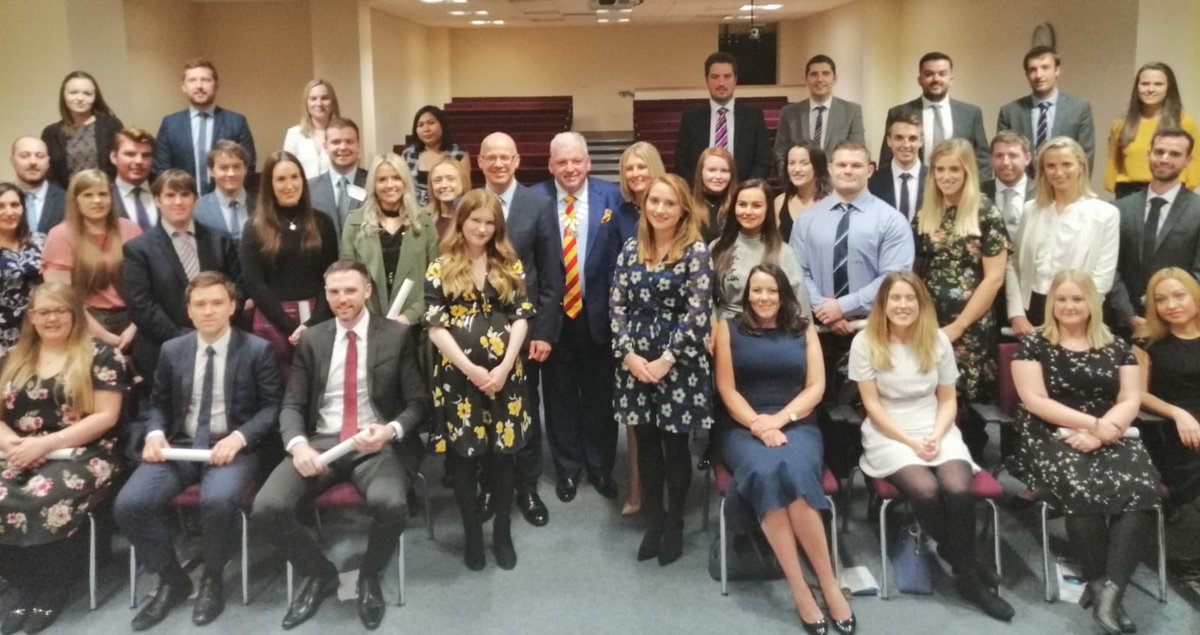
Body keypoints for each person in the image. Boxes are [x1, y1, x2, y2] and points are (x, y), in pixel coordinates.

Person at [252, 260, 428, 630]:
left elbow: (418, 403)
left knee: (392, 504)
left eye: (350, 290)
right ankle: (319, 573)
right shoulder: (314, 339)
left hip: (373, 444)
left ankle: (368, 575)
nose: (342, 299)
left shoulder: (395, 336)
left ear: (367, 291)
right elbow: (292, 405)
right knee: (267, 507)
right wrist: (298, 446)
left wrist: (390, 430)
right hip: (322, 442)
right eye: (333, 292)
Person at [114, 272, 281, 630]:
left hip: (233, 448)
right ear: (188, 311)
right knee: (131, 504)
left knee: (218, 502)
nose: (209, 311)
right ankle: (173, 580)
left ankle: (213, 578)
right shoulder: (173, 350)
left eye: (217, 302)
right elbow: (157, 403)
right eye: (200, 304)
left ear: (232, 307)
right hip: (182, 446)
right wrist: (155, 432)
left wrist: (239, 438)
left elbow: (271, 408)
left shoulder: (256, 349)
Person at [850, 272, 1013, 621]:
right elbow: (872, 406)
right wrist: (909, 441)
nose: (903, 305)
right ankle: (967, 571)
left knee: (957, 486)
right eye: (896, 298)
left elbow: (948, 400)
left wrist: (937, 436)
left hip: (935, 425)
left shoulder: (936, 340)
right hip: (888, 432)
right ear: (884, 304)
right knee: (925, 490)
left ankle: (960, 560)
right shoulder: (865, 342)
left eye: (911, 298)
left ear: (921, 304)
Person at [1010, 270, 1160, 635]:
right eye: (1061, 299)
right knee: (1082, 488)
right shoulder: (1032, 343)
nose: (1069, 306)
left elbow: (1130, 399)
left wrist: (1104, 431)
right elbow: (1034, 400)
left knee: (1142, 487)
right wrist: (1091, 426)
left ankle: (1108, 591)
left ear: (1092, 303)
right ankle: (1101, 584)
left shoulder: (1116, 347)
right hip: (1049, 433)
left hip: (1111, 429)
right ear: (1052, 304)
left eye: (1077, 299)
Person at [714, 263, 854, 634]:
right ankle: (799, 588)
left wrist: (779, 420)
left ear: (784, 295)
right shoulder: (728, 330)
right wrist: (759, 426)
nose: (764, 298)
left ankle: (827, 582)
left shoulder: (804, 329)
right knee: (764, 471)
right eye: (757, 291)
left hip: (798, 423)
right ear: (747, 295)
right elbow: (727, 390)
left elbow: (816, 389)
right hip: (743, 425)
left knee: (792, 471)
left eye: (772, 291)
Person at [0, 282, 126, 634]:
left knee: (41, 497)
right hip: (18, 450)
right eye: (43, 311)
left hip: (84, 451)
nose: (51, 318)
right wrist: (14, 447)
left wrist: (45, 444)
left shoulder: (101, 353)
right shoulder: (13, 357)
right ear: (31, 317)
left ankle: (52, 587)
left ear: (74, 314)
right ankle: (23, 586)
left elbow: (106, 416)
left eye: (60, 310)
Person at [424, 190, 533, 570]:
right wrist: (472, 370)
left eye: (491, 223)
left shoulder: (509, 263)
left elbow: (521, 316)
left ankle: (502, 532)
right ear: (461, 222)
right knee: (466, 460)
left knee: (504, 459)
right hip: (459, 380)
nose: (483, 229)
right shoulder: (440, 266)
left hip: (506, 378)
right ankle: (473, 533)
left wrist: (503, 366)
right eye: (476, 221)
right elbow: (436, 328)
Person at [791, 141, 915, 477]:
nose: (848, 171)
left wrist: (842, 307)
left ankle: (881, 480)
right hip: (819, 332)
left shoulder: (891, 220)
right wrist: (823, 309)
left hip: (872, 331)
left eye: (856, 166)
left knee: (873, 410)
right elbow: (796, 271)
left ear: (870, 169)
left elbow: (894, 279)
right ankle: (834, 476)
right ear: (829, 169)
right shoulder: (807, 221)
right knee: (824, 408)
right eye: (841, 165)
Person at [611, 174, 713, 566]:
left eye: (669, 202)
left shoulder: (696, 251)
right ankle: (654, 520)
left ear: (683, 208)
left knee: (675, 447)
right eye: (654, 200)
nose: (660, 208)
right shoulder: (629, 249)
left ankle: (674, 524)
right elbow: (616, 306)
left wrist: (666, 360)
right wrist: (629, 356)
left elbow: (697, 312)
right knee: (646, 446)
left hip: (679, 362)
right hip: (634, 363)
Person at [530, 132, 624, 503]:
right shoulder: (534, 199)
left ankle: (600, 466)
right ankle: (567, 468)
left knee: (601, 395)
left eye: (576, 161)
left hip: (598, 313)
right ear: (551, 165)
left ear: (588, 162)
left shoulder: (612, 198)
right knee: (558, 396)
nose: (569, 168)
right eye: (561, 162)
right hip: (553, 316)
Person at [477, 132, 564, 527]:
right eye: (490, 157)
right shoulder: (470, 203)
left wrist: (544, 332)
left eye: (504, 157)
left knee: (524, 409)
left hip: (523, 331)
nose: (498, 164)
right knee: (482, 412)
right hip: (476, 332)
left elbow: (551, 276)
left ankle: (527, 487)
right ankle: (491, 487)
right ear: (480, 162)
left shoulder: (538, 204)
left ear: (516, 161)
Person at [913, 138, 1009, 462]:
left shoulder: (986, 211)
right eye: (940, 169)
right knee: (927, 393)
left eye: (954, 169)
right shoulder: (926, 214)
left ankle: (967, 471)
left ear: (968, 171)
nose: (946, 176)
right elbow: (916, 271)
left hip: (970, 323)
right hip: (928, 320)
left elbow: (995, 278)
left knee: (963, 400)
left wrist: (959, 325)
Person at [123, 169, 243, 380]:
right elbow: (141, 305)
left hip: (221, 345)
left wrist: (216, 330)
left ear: (195, 199)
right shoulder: (138, 249)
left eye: (185, 194)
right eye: (170, 195)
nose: (178, 202)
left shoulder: (220, 241)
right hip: (163, 350)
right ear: (157, 200)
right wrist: (186, 339)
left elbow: (239, 289)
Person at [1006, 137, 1119, 335]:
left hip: (1078, 313)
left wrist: (1084, 318)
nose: (1058, 173)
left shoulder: (1105, 213)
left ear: (1081, 166)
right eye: (1051, 166)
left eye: (1066, 164)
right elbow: (1014, 264)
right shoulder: (1031, 210)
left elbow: (1103, 275)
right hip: (1032, 308)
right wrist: (1017, 314)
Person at [239, 151, 338, 374]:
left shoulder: (322, 221)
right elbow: (254, 283)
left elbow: (330, 275)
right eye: (281, 179)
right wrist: (291, 326)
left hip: (318, 317)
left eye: (295, 177)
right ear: (269, 184)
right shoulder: (254, 226)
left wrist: (313, 323)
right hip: (272, 321)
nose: (289, 185)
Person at [612, 140, 667, 515]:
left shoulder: (674, 208)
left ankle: (664, 494)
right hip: (630, 331)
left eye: (642, 167)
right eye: (629, 168)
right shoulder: (616, 213)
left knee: (667, 425)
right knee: (635, 423)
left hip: (668, 336)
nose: (635, 175)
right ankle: (636, 490)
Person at [1109, 129, 1200, 333]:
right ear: (1149, 153)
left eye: (1175, 154)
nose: (1164, 159)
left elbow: (1198, 272)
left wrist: (1171, 310)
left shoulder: (1198, 211)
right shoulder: (1118, 209)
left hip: (1178, 325)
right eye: (1159, 151)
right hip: (1122, 323)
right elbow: (1109, 267)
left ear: (1187, 160)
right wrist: (1128, 314)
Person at [42, 169, 142, 354]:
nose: (97, 201)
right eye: (88, 195)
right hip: (87, 324)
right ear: (75, 200)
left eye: (103, 194)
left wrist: (135, 327)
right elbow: (63, 298)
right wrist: (104, 336)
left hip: (135, 323)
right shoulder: (61, 235)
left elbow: (147, 287)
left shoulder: (130, 229)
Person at [339, 153, 437, 322]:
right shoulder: (354, 222)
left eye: (396, 178)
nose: (390, 185)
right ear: (373, 184)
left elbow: (435, 279)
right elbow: (347, 276)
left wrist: (410, 316)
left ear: (405, 181)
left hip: (413, 325)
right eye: (382, 179)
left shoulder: (424, 222)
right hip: (368, 322)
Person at [1133, 268, 1200, 515]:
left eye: (1179, 295)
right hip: (1169, 428)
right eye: (1160, 299)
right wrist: (1178, 414)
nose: (1171, 305)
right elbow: (1137, 394)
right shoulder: (1146, 341)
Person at [879, 52, 991, 180]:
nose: (936, 79)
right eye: (929, 74)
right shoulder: (899, 113)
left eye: (942, 74)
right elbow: (887, 159)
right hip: (914, 190)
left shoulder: (971, 113)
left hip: (958, 190)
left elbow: (983, 159)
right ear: (920, 80)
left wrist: (979, 191)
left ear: (951, 79)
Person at [154, 58, 256, 196]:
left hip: (227, 202)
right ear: (183, 86)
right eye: (192, 80)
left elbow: (248, 166)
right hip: (184, 204)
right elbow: (162, 170)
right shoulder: (170, 124)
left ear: (216, 85)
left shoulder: (236, 122)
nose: (199, 86)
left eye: (205, 80)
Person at [711, 180, 809, 320]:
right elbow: (705, 297)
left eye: (756, 205)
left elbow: (799, 303)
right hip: (723, 328)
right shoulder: (718, 247)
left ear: (767, 209)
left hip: (769, 329)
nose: (748, 211)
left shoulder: (783, 252)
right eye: (742, 204)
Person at [1104, 62, 1200, 198]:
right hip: (1129, 193)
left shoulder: (1184, 122)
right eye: (1145, 84)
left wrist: (1188, 191)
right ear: (1137, 87)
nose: (1150, 89)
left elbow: (1195, 160)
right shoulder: (1121, 125)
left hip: (1171, 192)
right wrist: (1112, 186)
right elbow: (1113, 160)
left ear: (1169, 88)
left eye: (1158, 84)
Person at [673, 52, 771, 183]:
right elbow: (681, 163)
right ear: (706, 80)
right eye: (715, 77)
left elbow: (763, 162)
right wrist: (700, 188)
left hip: (741, 194)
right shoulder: (691, 118)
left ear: (735, 79)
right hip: (700, 194)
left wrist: (744, 190)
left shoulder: (753, 117)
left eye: (727, 76)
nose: (721, 83)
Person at [997, 46, 1096, 170]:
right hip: (1023, 187)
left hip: (1064, 183)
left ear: (1057, 70)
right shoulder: (1009, 112)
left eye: (1045, 67)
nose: (1039, 75)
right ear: (1027, 74)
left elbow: (1085, 156)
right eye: (1033, 70)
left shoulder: (1079, 109)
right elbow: (1002, 157)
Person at [773, 54, 865, 173]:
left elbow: (856, 152)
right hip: (799, 184)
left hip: (837, 185)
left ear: (834, 78)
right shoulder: (790, 113)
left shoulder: (851, 111)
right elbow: (779, 153)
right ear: (806, 79)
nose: (820, 79)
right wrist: (790, 178)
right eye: (814, 74)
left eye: (825, 74)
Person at [40, 71, 124, 189]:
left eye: (87, 93)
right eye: (73, 92)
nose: (80, 98)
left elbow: (122, 165)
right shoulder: (51, 133)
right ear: (64, 95)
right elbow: (50, 175)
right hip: (68, 201)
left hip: (107, 196)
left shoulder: (111, 125)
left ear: (95, 97)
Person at [0, 183, 45, 352]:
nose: (10, 212)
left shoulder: (41, 241)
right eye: (1, 206)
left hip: (41, 332)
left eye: (15, 205)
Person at [308, 117, 367, 237]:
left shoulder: (373, 183)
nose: (343, 147)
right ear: (325, 147)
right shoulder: (309, 189)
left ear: (358, 146)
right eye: (336, 142)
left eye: (349, 141)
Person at [401, 106, 470, 207]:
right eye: (420, 125)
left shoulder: (458, 153)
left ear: (442, 125)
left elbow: (465, 188)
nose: (426, 129)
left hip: (450, 209)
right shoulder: (408, 154)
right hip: (414, 211)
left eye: (431, 123)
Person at [868, 112, 927, 220]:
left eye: (912, 138)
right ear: (889, 141)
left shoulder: (935, 179)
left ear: (921, 141)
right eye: (899, 138)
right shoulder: (872, 182)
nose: (906, 145)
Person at [195, 140, 255, 240]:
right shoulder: (198, 210)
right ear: (211, 171)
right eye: (224, 168)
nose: (231, 173)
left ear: (245, 169)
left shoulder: (263, 207)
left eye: (236, 167)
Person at [981, 130, 1035, 239]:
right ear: (991, 159)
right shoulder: (978, 193)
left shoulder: (1043, 192)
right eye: (999, 155)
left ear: (1027, 158)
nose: (1005, 162)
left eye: (1013, 155)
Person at [773, 143, 832, 243]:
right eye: (791, 163)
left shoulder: (832, 202)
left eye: (804, 163)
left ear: (817, 166)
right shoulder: (779, 201)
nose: (796, 169)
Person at [282, 79, 339, 178]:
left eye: (325, 98)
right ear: (307, 103)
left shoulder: (343, 133)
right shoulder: (294, 134)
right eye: (313, 99)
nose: (319, 103)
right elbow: (288, 170)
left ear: (333, 102)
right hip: (304, 192)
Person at [10, 137, 66, 234]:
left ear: (48, 162)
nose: (33, 162)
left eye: (40, 156)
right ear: (12, 161)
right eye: (24, 156)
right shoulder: (2, 198)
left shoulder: (67, 200)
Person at [109, 128, 159, 231]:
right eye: (130, 154)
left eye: (146, 155)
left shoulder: (165, 192)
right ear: (114, 157)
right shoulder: (103, 196)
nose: (139, 161)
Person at [692, 146, 737, 242]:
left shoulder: (738, 206)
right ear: (701, 173)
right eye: (712, 170)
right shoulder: (687, 205)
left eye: (724, 171)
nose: (718, 176)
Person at [428, 156, 468, 239]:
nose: (444, 185)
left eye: (451, 179)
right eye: (437, 180)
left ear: (463, 182)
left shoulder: (474, 216)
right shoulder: (424, 219)